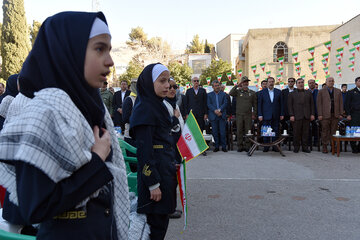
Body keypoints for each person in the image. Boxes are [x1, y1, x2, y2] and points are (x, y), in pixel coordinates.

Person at [0, 12, 129, 239]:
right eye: (99, 49)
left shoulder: (88, 108)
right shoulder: (44, 114)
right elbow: (36, 206)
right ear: (68, 51)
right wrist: (96, 162)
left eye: (109, 50)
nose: (109, 60)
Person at [130, 63, 177, 240]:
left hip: (164, 173)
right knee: (154, 228)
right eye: (162, 81)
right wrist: (153, 183)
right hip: (155, 179)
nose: (167, 85)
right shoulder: (145, 109)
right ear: (150, 83)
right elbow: (144, 151)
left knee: (161, 223)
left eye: (169, 81)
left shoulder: (159, 105)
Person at [163, 78, 184, 219]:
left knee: (174, 179)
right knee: (169, 179)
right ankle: (168, 209)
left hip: (177, 147)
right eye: (169, 87)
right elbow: (166, 127)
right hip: (169, 148)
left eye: (174, 87)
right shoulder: (163, 105)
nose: (172, 89)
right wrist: (175, 119)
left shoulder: (175, 104)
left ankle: (171, 206)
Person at [229, 76, 257, 152]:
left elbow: (255, 105)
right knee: (239, 130)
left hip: (248, 115)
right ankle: (240, 146)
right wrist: (237, 85)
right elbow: (230, 93)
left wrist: (254, 114)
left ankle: (247, 146)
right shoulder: (238, 92)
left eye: (247, 82)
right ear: (241, 83)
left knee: (248, 131)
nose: (245, 83)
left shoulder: (252, 93)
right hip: (239, 114)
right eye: (244, 82)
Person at [257, 77, 284, 152]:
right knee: (266, 132)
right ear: (267, 83)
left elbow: (281, 104)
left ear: (274, 82)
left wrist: (282, 114)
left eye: (272, 81)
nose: (271, 83)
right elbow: (260, 104)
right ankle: (266, 147)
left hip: (276, 115)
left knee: (275, 131)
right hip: (265, 115)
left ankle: (275, 147)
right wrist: (260, 115)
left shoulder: (279, 92)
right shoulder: (262, 92)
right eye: (269, 82)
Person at [317, 77, 343, 153]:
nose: (331, 82)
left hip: (335, 114)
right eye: (329, 81)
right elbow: (319, 104)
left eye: (332, 81)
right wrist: (320, 114)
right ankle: (324, 146)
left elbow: (341, 103)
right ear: (326, 82)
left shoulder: (338, 91)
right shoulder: (321, 91)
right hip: (325, 115)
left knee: (334, 131)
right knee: (325, 131)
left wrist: (341, 113)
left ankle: (333, 146)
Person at [288, 78, 315, 153]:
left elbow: (312, 104)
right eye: (299, 82)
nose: (301, 84)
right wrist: (291, 115)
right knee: (296, 133)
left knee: (306, 133)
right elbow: (290, 106)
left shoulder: (308, 93)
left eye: (302, 82)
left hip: (306, 116)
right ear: (296, 84)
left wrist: (312, 114)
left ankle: (305, 147)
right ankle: (296, 147)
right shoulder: (292, 94)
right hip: (296, 116)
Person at [185, 76, 208, 155]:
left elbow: (205, 103)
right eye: (194, 81)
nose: (196, 82)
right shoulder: (188, 91)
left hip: (201, 114)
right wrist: (186, 114)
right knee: (192, 131)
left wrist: (206, 113)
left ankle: (202, 148)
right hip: (191, 114)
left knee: (200, 131)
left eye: (197, 81)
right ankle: (193, 149)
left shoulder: (203, 91)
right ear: (192, 82)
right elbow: (186, 103)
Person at [207, 80, 228, 152]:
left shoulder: (224, 94)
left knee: (222, 132)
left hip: (221, 115)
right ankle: (216, 146)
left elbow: (225, 103)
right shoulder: (209, 95)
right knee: (215, 132)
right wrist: (215, 111)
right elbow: (209, 104)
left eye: (218, 85)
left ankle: (224, 147)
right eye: (215, 86)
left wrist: (219, 110)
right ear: (212, 87)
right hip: (213, 115)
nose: (217, 87)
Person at [345, 77, 360, 153]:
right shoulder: (351, 92)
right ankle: (354, 148)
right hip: (354, 114)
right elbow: (347, 104)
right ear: (356, 83)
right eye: (359, 81)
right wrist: (348, 114)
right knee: (354, 131)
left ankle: (359, 147)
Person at [308, 79, 319, 147]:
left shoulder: (318, 92)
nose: (311, 84)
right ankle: (309, 142)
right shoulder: (305, 92)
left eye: (313, 83)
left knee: (316, 128)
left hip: (317, 113)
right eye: (310, 83)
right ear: (308, 84)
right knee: (308, 129)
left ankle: (316, 142)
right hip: (308, 114)